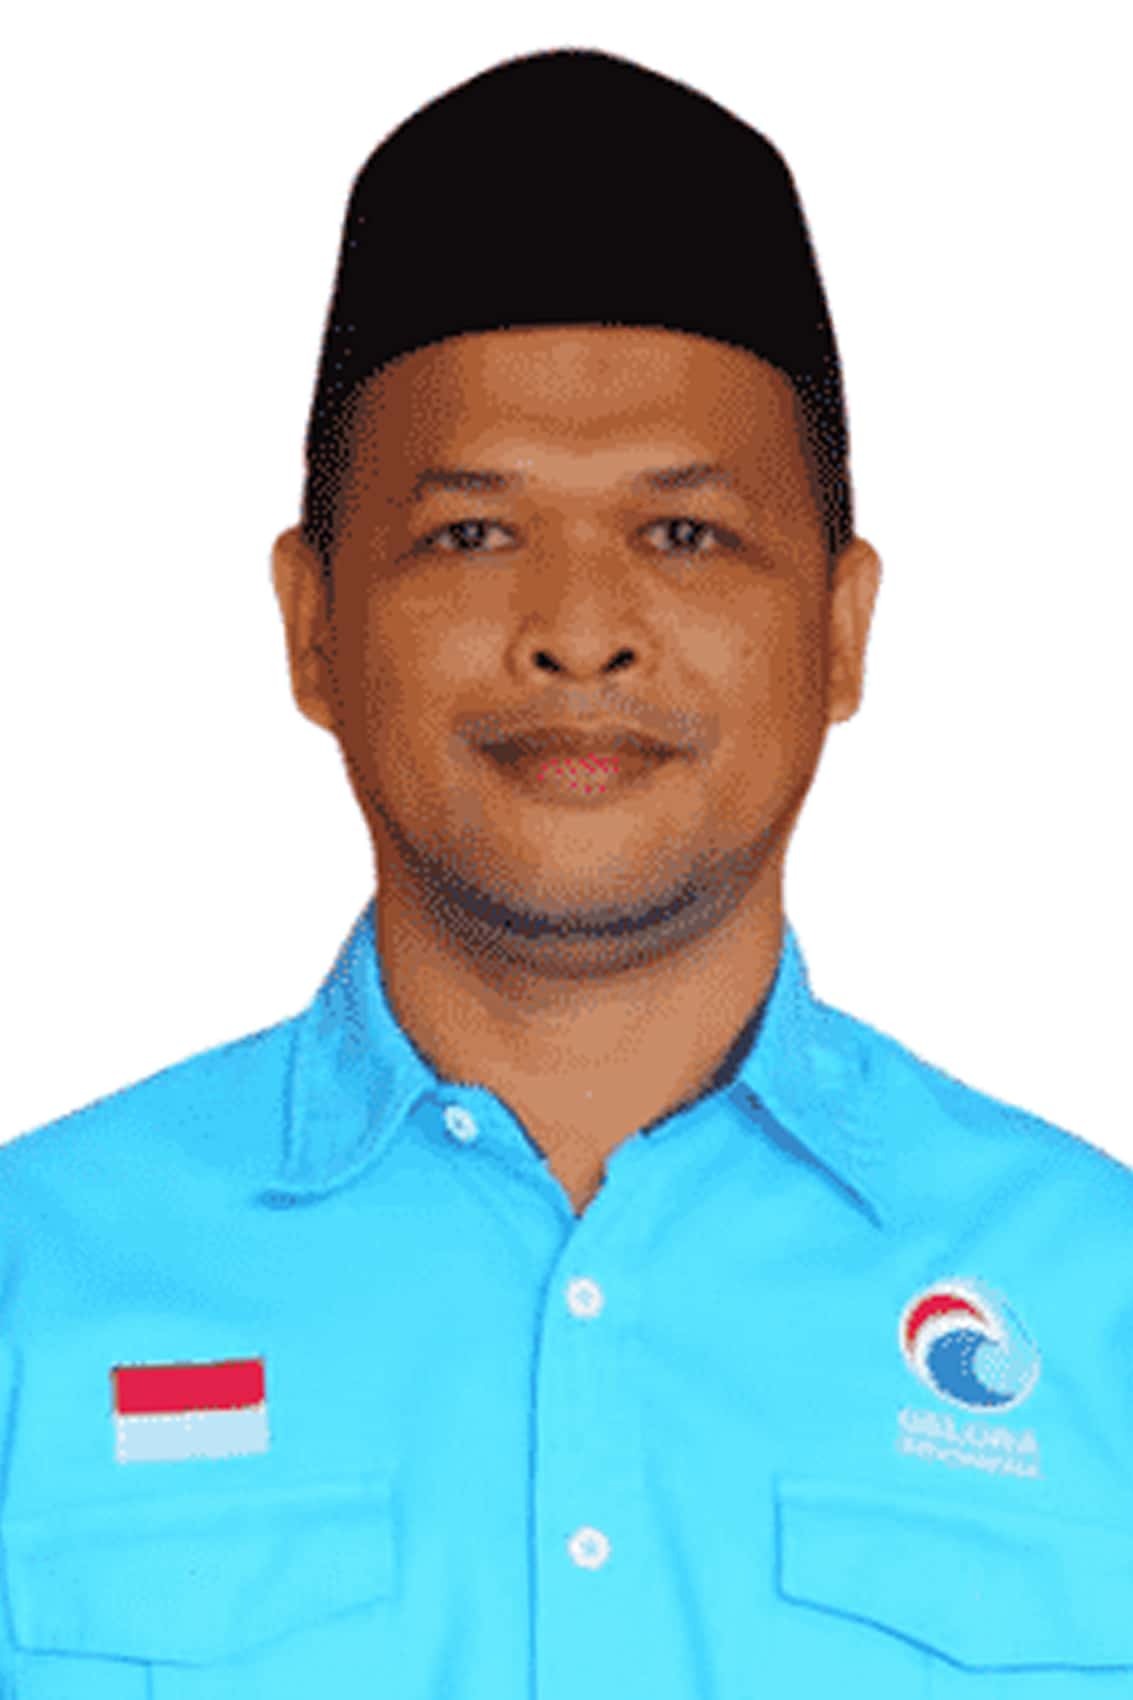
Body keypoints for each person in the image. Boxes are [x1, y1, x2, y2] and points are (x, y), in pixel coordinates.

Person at [2, 45, 1131, 1696]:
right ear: (312, 625)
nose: (580, 631)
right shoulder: (36, 1282)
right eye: (470, 533)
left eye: (683, 533)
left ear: (839, 629)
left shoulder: (1097, 1305)